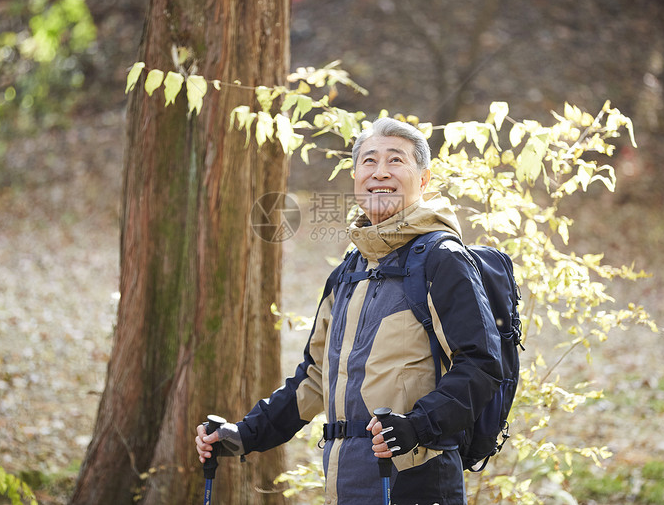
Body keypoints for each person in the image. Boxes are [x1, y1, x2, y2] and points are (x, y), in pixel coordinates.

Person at [195, 117, 503, 504]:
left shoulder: (442, 259)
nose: (380, 173)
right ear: (356, 175)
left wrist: (416, 426)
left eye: (396, 161)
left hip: (417, 480)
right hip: (346, 480)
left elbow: (482, 365)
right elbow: (314, 378)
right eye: (369, 162)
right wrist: (244, 435)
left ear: (423, 180)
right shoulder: (349, 271)